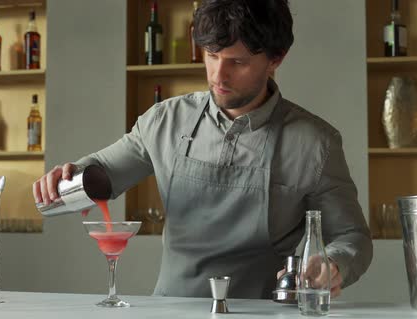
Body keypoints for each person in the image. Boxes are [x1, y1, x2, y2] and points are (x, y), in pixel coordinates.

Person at [33, 0, 372, 299]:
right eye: (211, 56)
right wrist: (69, 179)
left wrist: (333, 264)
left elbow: (351, 236)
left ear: (275, 60)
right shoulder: (165, 120)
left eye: (237, 62)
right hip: (169, 313)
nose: (218, 75)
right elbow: (105, 170)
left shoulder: (316, 143)